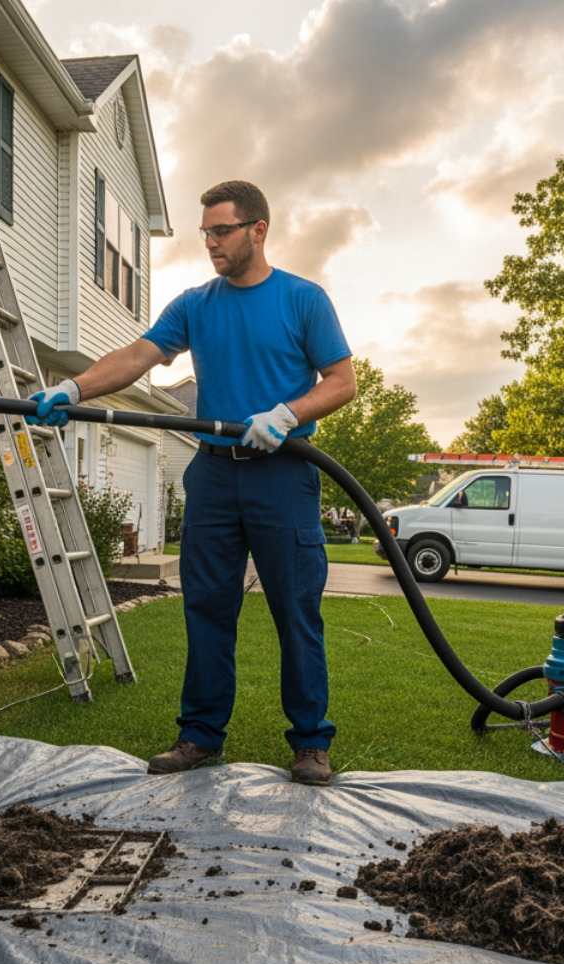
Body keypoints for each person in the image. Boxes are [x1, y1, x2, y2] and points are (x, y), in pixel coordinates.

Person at [26, 180, 356, 787]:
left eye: (222, 230)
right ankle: (200, 735)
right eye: (205, 231)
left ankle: (310, 742)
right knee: (206, 608)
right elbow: (136, 356)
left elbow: (341, 381)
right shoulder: (196, 304)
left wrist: (286, 416)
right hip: (212, 475)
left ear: (258, 230)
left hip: (283, 475)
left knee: (296, 611)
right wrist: (71, 389)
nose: (210, 242)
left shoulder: (303, 300)